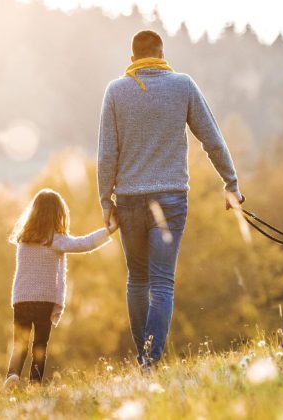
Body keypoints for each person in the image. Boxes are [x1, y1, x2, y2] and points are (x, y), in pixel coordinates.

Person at [97, 29, 244, 368]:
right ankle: (149, 359)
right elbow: (213, 140)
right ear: (162, 54)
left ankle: (144, 359)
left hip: (130, 199)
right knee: (162, 281)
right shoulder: (183, 85)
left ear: (132, 58)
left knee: (137, 279)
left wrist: (106, 200)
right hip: (171, 199)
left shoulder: (116, 91)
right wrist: (231, 183)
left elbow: (107, 154)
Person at [3, 189, 118, 387]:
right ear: (58, 214)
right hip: (43, 301)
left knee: (19, 345)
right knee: (40, 346)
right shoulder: (54, 240)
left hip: (21, 299)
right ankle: (35, 385)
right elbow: (85, 243)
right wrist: (109, 230)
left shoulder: (24, 240)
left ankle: (12, 377)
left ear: (34, 212)